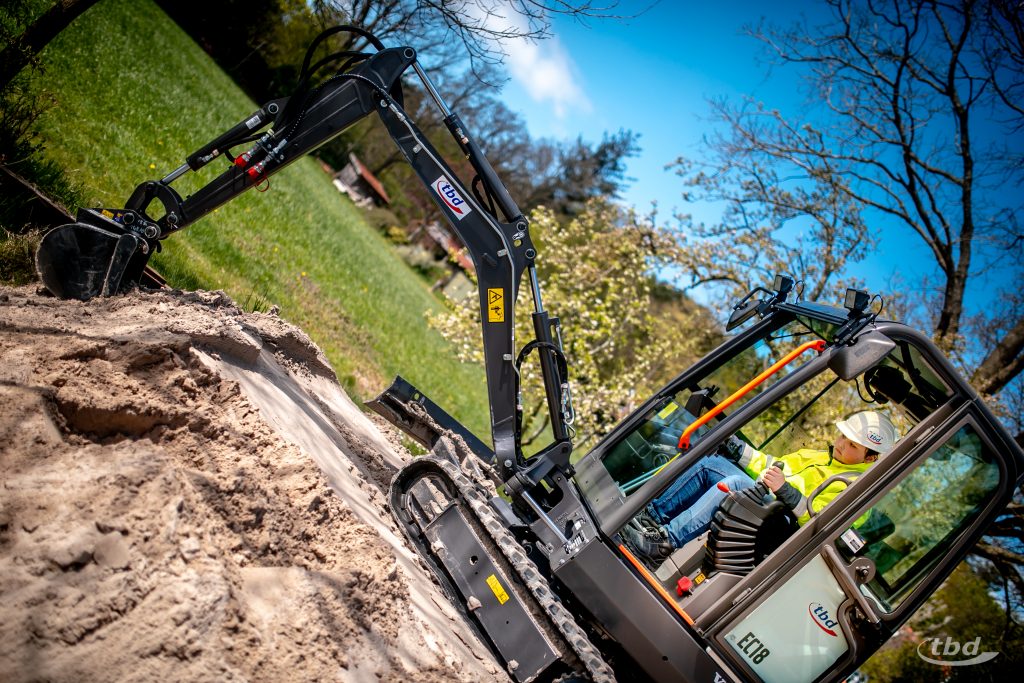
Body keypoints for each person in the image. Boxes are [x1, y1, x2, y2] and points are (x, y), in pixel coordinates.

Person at [621, 411, 898, 563]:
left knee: (734, 485)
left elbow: (822, 523)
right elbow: (770, 464)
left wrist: (785, 491)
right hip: (765, 498)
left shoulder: (857, 491)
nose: (840, 444)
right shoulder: (820, 456)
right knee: (710, 464)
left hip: (781, 525)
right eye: (842, 436)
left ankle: (664, 543)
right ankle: (651, 519)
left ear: (870, 457)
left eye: (852, 445)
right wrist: (738, 448)